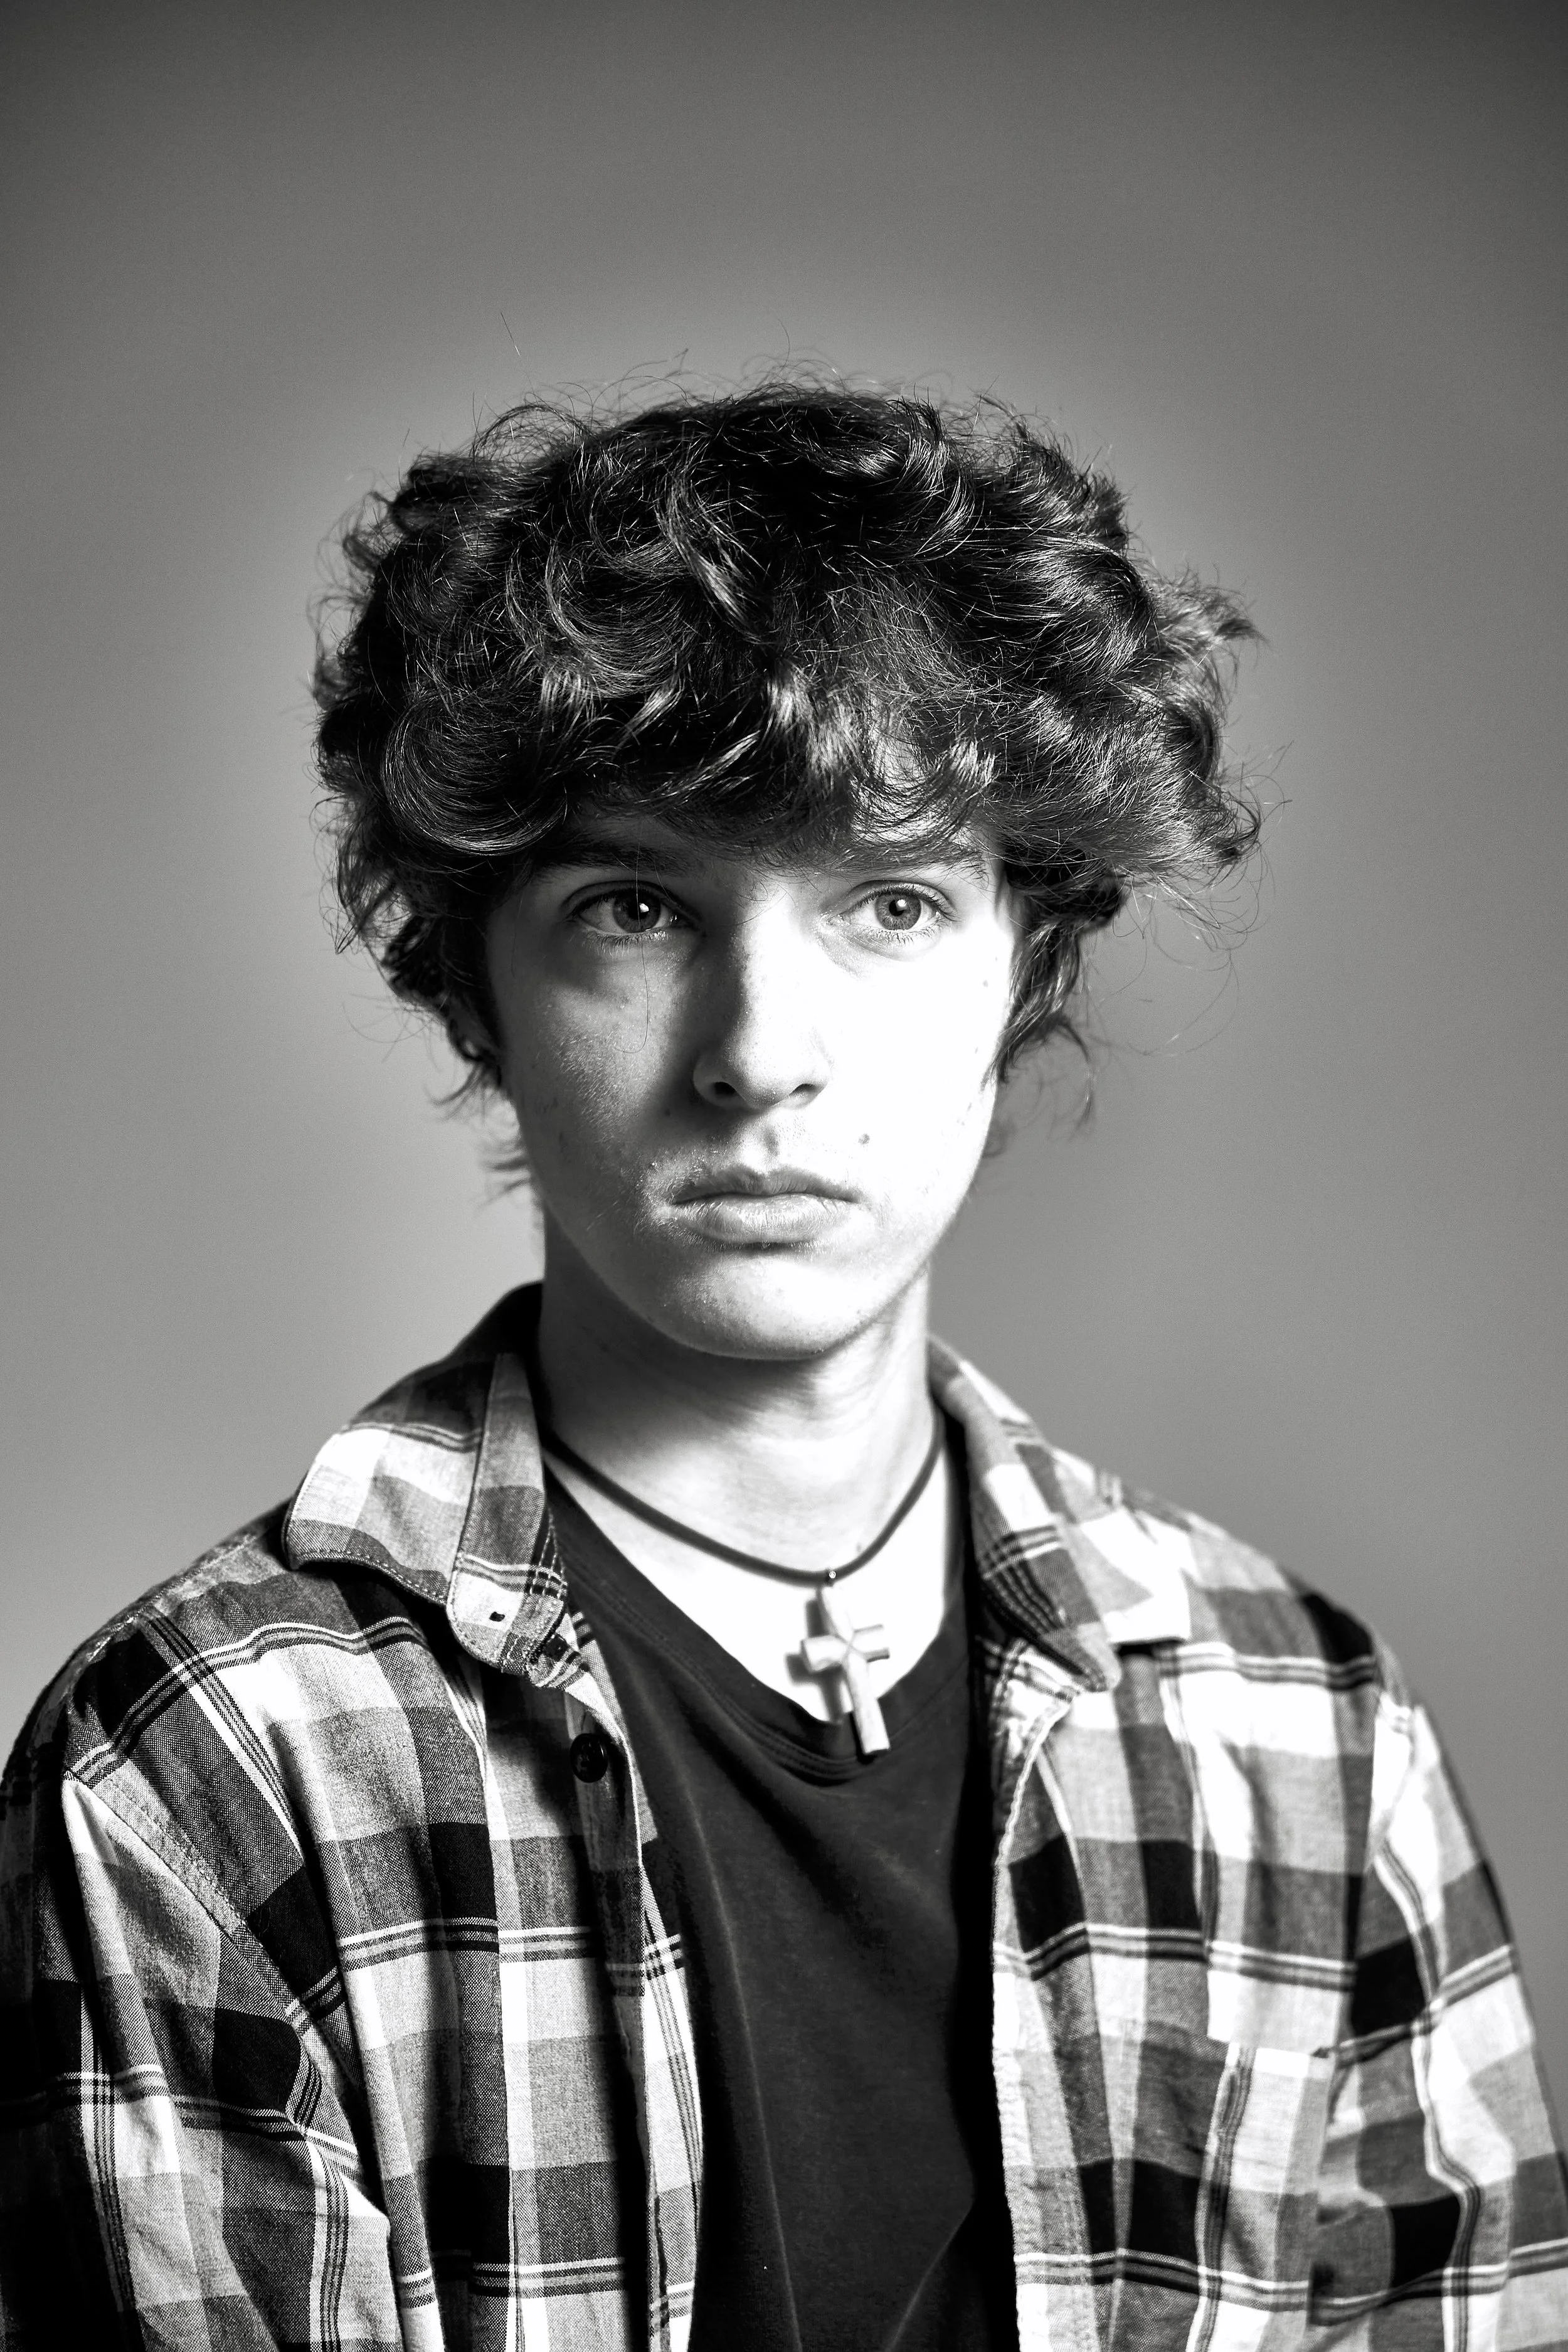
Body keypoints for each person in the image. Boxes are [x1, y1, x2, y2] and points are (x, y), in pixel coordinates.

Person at [1, 382, 1563, 2352]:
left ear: (1022, 964)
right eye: (634, 906)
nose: (757, 1052)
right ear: (479, 982)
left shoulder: (1304, 1733)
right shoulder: (213, 1764)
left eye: (889, 902)